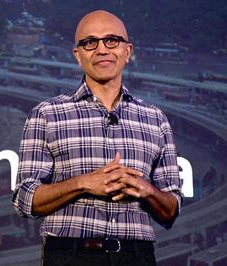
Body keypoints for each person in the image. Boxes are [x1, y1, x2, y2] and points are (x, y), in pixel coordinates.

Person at [12, 10, 183, 266]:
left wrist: (147, 191)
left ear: (127, 51)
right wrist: (82, 183)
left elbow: (171, 210)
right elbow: (25, 199)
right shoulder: (46, 114)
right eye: (90, 42)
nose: (102, 49)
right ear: (78, 55)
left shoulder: (155, 118)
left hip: (136, 256)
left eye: (111, 40)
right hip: (70, 254)